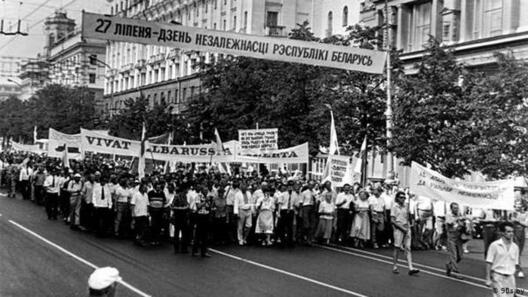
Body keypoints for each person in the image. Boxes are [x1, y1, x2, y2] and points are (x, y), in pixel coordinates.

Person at [486, 222, 520, 297]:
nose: (511, 234)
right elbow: (489, 262)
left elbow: (515, 263)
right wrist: (488, 278)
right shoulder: (494, 245)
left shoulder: (515, 247)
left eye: (512, 231)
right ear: (502, 233)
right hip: (498, 277)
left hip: (510, 278)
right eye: (508, 231)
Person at [391, 191, 420, 275]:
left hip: (406, 227)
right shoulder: (394, 207)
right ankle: (395, 266)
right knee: (397, 247)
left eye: (404, 197)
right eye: (401, 197)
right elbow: (392, 220)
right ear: (397, 198)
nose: (403, 199)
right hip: (399, 228)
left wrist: (410, 224)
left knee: (408, 247)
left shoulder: (406, 206)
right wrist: (401, 228)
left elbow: (408, 217)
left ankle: (411, 267)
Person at [445, 202, 466, 279]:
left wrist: (464, 221)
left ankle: (449, 265)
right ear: (451, 209)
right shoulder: (448, 215)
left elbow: (462, 225)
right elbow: (449, 222)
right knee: (453, 255)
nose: (456, 209)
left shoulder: (460, 215)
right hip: (451, 237)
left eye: (457, 208)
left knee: (460, 256)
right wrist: (457, 219)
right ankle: (455, 271)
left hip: (458, 237)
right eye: (455, 208)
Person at [192, 185, 212, 257]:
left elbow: (209, 206)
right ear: (202, 190)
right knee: (198, 235)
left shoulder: (208, 197)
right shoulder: (198, 196)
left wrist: (208, 203)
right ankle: (195, 251)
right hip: (200, 216)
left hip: (206, 215)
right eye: (205, 190)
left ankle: (204, 252)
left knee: (205, 235)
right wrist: (205, 201)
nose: (206, 192)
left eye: (207, 190)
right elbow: (198, 206)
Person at [171, 183, 190, 253]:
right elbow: (172, 206)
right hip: (178, 216)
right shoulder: (177, 196)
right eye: (187, 189)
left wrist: (187, 206)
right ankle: (176, 248)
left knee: (184, 232)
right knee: (177, 232)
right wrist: (181, 208)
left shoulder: (185, 196)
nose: (188, 190)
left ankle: (184, 248)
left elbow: (187, 204)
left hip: (184, 216)